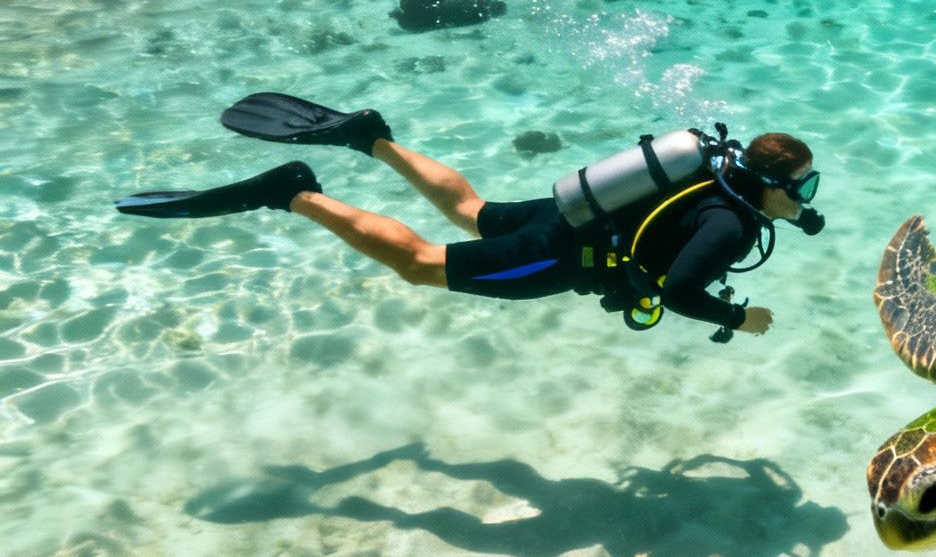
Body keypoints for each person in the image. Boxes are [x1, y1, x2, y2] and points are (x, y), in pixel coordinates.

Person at [115, 94, 823, 338]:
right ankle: (294, 191)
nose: (806, 197)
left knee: (470, 207)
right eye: (802, 185)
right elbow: (677, 292)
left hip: (569, 214)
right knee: (419, 264)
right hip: (560, 254)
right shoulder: (730, 225)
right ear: (766, 185)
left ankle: (371, 138)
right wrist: (739, 319)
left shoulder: (710, 167)